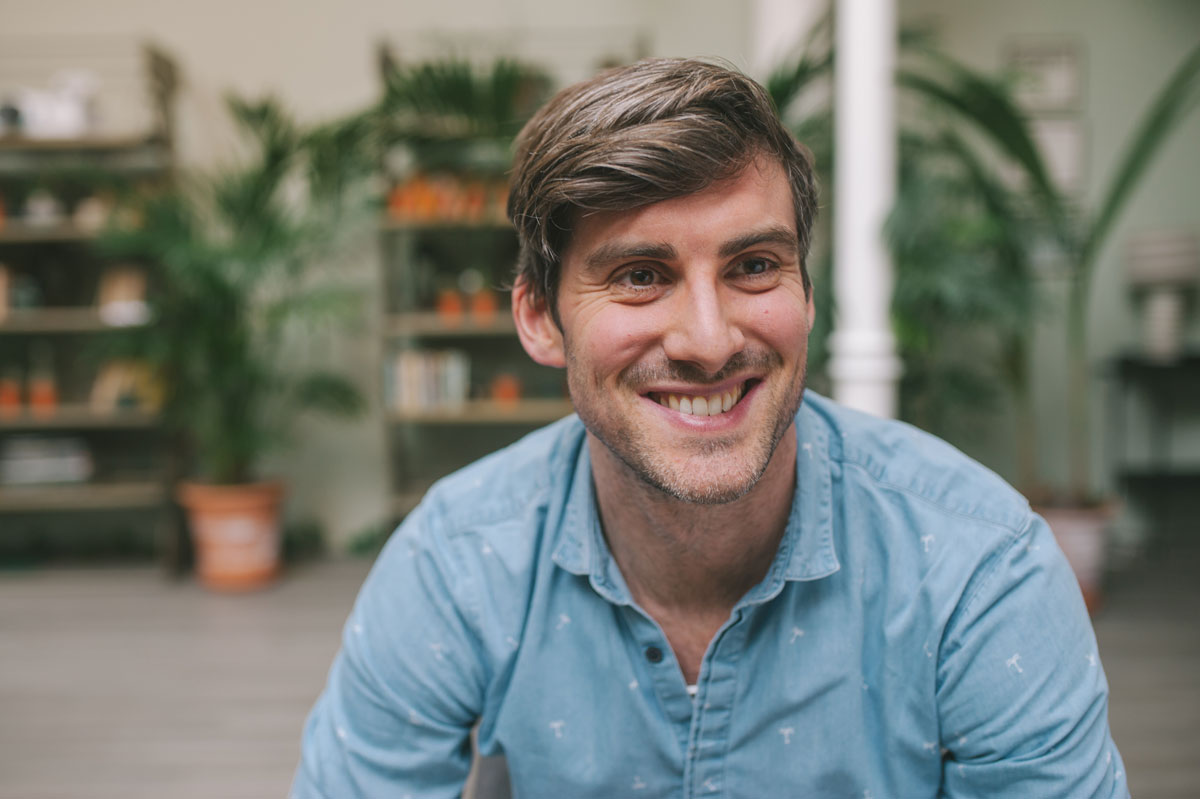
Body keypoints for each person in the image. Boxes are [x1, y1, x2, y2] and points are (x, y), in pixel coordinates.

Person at [293, 57, 1127, 798]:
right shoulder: (457, 560)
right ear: (541, 317)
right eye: (641, 275)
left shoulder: (978, 570)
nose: (709, 339)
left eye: (754, 266)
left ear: (807, 294)